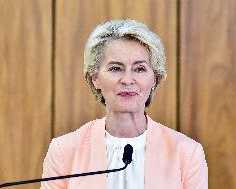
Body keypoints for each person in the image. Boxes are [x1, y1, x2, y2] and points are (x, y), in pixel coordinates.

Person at [41, 19, 208, 189]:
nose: (128, 80)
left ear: (155, 78)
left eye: (140, 69)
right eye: (115, 68)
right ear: (95, 78)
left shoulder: (187, 153)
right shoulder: (64, 151)